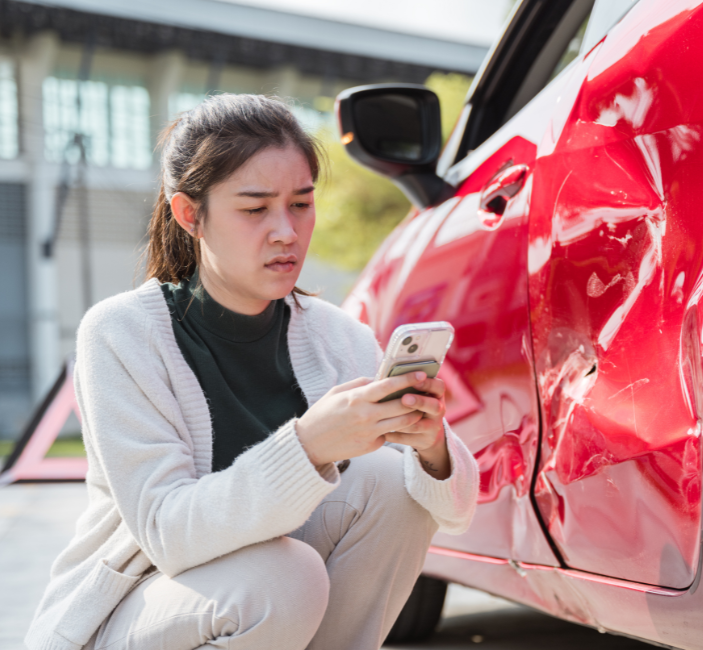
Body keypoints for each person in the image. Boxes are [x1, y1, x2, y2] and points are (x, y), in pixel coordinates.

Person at [24, 94, 478, 650]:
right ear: (190, 214)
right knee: (282, 579)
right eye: (255, 208)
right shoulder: (121, 334)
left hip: (269, 599)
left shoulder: (339, 336)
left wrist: (432, 449)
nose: (286, 231)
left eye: (301, 203)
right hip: (142, 605)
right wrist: (310, 445)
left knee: (395, 483)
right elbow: (168, 535)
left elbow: (455, 513)